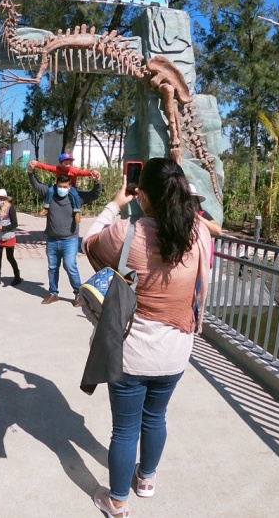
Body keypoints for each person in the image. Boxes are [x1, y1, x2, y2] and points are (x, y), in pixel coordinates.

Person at [82, 158, 210, 517]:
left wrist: (115, 204)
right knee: (156, 418)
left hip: (131, 353)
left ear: (143, 194)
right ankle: (146, 480)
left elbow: (89, 243)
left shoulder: (127, 233)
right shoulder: (197, 233)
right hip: (175, 353)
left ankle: (118, 501)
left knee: (125, 430)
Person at [27, 167, 101, 306]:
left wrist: (97, 182)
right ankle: (53, 294)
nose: (62, 189)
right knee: (52, 267)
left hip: (70, 240)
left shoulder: (76, 197)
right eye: (60, 186)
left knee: (70, 266)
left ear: (70, 186)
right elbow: (36, 185)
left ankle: (79, 294)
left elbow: (94, 194)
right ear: (56, 184)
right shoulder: (50, 194)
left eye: (65, 187)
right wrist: (30, 172)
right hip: (52, 240)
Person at [29, 153, 93, 222]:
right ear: (61, 164)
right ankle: (46, 207)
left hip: (71, 186)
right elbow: (47, 167)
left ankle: (77, 212)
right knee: (50, 191)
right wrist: (36, 164)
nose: (68, 165)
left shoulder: (74, 171)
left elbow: (82, 173)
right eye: (66, 163)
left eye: (69, 163)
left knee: (75, 195)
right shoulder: (57, 169)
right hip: (58, 185)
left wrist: (91, 173)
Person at [0, 188, 22, 286]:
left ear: (6, 199)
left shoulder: (10, 208)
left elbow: (15, 224)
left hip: (9, 237)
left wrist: (2, 228)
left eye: (2, 198)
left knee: (10, 257)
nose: (0, 200)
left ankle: (17, 277)